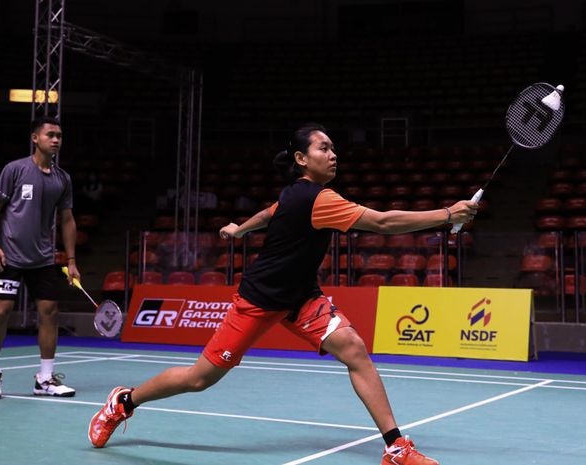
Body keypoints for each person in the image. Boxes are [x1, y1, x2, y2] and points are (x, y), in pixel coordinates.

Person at [87, 124, 477, 465]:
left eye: (333, 147)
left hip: (301, 297)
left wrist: (240, 228)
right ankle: (124, 401)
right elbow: (382, 222)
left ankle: (396, 448)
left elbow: (269, 214)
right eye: (323, 148)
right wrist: (447, 215)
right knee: (199, 379)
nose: (333, 153)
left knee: (354, 349)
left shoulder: (296, 194)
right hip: (258, 301)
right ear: (301, 158)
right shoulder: (319, 199)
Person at [0, 116, 80, 400]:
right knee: (0, 313)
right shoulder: (15, 170)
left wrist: (71, 261)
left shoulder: (62, 179)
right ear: (35, 138)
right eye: (50, 134)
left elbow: (67, 219)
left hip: (43, 259)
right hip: (9, 256)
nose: (56, 140)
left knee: (50, 313)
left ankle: (45, 378)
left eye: (59, 135)